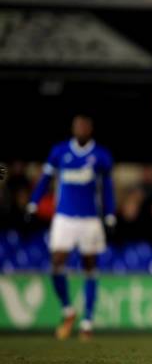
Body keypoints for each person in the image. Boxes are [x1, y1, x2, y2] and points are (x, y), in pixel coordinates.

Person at [27, 113, 115, 340]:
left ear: (90, 129)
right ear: (74, 128)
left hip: (90, 219)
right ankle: (68, 310)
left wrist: (110, 213)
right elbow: (46, 179)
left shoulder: (101, 156)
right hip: (64, 216)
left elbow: (107, 187)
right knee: (56, 262)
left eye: (85, 126)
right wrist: (34, 201)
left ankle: (87, 322)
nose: (81, 129)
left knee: (90, 267)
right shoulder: (59, 152)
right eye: (78, 126)